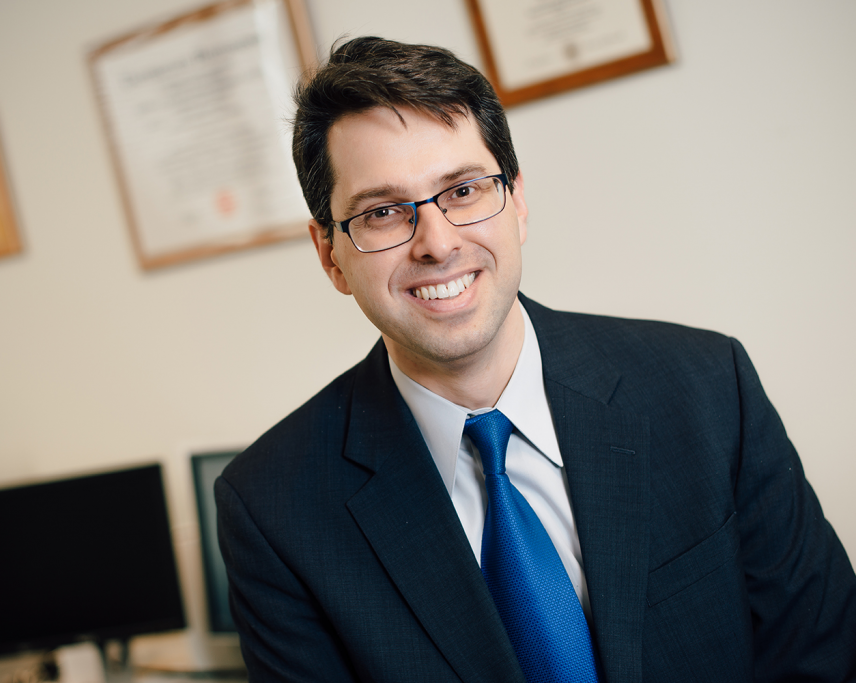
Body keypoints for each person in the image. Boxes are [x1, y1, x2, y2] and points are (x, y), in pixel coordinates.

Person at [214, 37, 856, 682]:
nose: (437, 244)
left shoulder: (708, 387)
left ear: (516, 201)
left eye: (463, 191)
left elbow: (825, 657)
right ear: (330, 255)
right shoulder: (273, 506)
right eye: (382, 213)